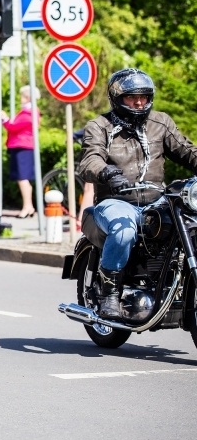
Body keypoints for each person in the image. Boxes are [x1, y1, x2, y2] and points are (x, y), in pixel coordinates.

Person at [80, 68, 197, 320]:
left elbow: (187, 151)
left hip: (157, 200)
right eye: (132, 97)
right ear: (116, 98)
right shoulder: (99, 126)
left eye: (144, 96)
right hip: (116, 201)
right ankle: (109, 292)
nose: (139, 102)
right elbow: (89, 161)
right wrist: (110, 174)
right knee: (124, 230)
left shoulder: (160, 123)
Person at [1, 85, 41, 218]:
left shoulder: (28, 113)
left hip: (22, 146)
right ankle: (29, 206)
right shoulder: (28, 112)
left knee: (22, 178)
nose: (20, 98)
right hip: (23, 146)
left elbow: (13, 127)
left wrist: (4, 119)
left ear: (28, 97)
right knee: (24, 178)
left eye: (22, 96)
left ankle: (27, 207)